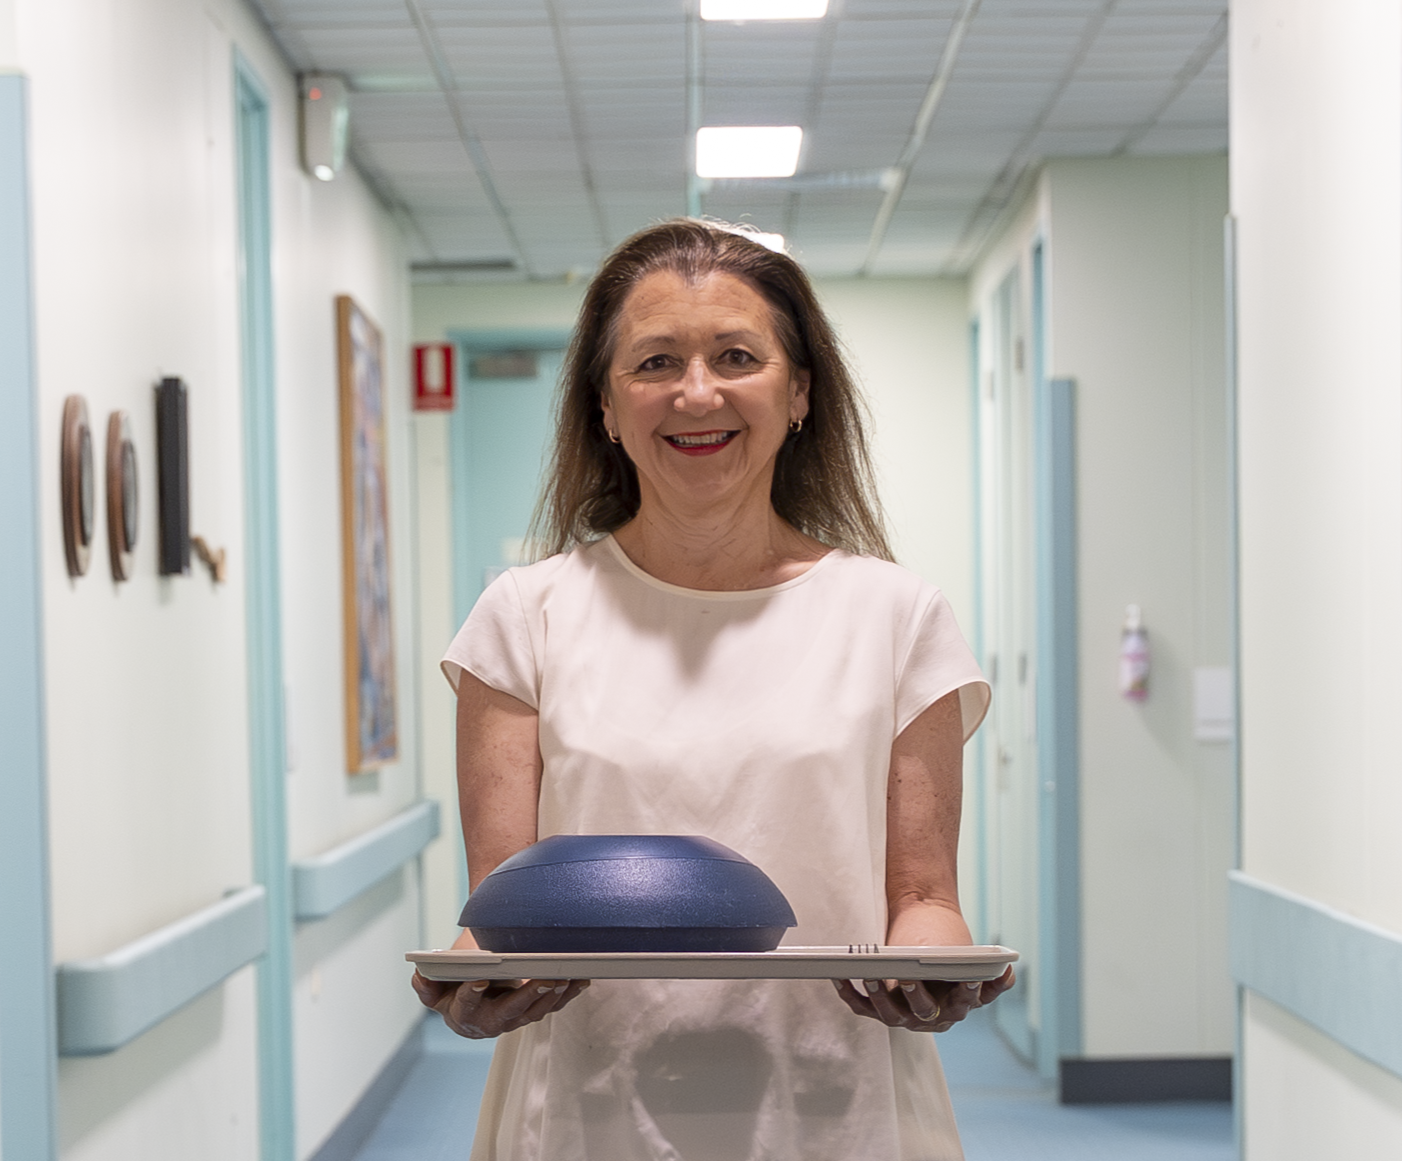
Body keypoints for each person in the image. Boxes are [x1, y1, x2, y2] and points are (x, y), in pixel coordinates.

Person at [411, 219, 1014, 1160]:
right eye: (654, 362)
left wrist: (933, 970)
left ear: (799, 391)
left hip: (835, 1104)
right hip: (587, 1107)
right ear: (604, 406)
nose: (697, 392)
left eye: (736, 355)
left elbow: (924, 896)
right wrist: (472, 982)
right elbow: (501, 912)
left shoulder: (898, 618)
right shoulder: (522, 616)